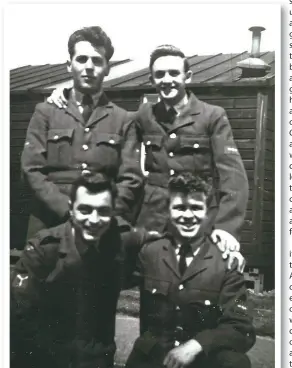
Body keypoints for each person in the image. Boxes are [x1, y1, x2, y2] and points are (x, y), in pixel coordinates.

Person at [47, 44, 249, 255]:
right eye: (159, 74)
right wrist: (69, 93)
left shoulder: (212, 116)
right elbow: (109, 119)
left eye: (173, 73)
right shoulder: (145, 115)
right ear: (152, 80)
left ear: (187, 77)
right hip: (154, 219)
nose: (167, 80)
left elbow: (233, 176)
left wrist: (227, 228)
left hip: (197, 215)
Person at [10, 172, 149, 368]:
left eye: (103, 211)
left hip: (96, 362)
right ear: (71, 210)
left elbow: (160, 242)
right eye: (85, 210)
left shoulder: (123, 240)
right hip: (45, 362)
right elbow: (19, 318)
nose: (94, 220)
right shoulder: (44, 250)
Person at [124, 172, 255, 368]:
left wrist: (197, 344)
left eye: (195, 208)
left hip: (203, 362)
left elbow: (241, 328)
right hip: (154, 361)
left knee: (236, 365)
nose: (187, 216)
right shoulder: (150, 252)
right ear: (168, 211)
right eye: (179, 208)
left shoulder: (225, 260)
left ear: (207, 213)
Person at [21, 26, 143, 240]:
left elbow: (131, 179)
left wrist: (102, 213)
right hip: (49, 223)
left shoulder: (124, 119)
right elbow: (31, 170)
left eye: (97, 61)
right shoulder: (46, 113)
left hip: (102, 227)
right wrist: (68, 210)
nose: (88, 67)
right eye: (81, 59)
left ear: (107, 68)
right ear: (69, 65)